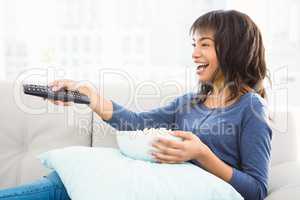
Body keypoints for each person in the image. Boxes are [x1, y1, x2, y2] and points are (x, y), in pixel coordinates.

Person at [0, 10, 272, 200]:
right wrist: (91, 96)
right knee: (59, 184)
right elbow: (136, 123)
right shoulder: (190, 102)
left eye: (205, 44)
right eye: (194, 44)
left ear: (232, 49)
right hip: (121, 183)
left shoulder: (250, 108)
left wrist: (202, 154)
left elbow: (256, 190)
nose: (194, 53)